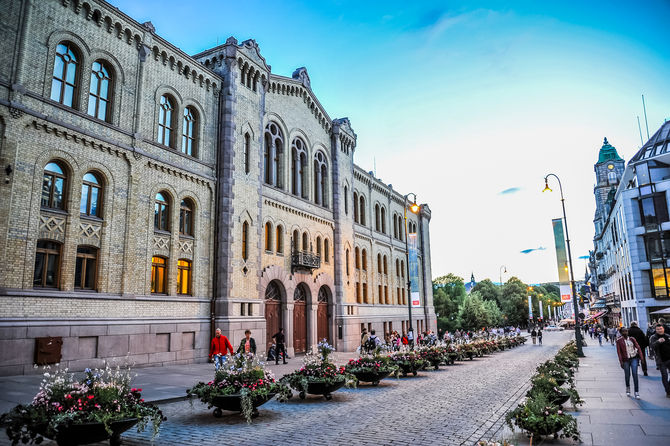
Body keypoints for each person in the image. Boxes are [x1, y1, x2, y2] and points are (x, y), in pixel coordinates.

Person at [616, 327, 642, 399]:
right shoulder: (619, 341)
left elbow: (638, 347)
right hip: (625, 360)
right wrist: (621, 362)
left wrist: (641, 358)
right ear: (621, 333)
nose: (625, 332)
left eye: (626, 331)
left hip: (634, 358)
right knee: (627, 375)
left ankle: (636, 392)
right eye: (623, 331)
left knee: (635, 374)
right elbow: (619, 353)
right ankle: (628, 387)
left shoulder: (632, 339)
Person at [649, 324, 670, 397]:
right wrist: (658, 341)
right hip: (661, 360)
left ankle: (668, 387)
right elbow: (652, 346)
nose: (660, 330)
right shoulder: (653, 337)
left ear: (663, 329)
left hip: (669, 358)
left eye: (661, 329)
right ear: (656, 330)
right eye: (658, 329)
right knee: (665, 376)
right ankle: (668, 392)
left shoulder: (667, 336)